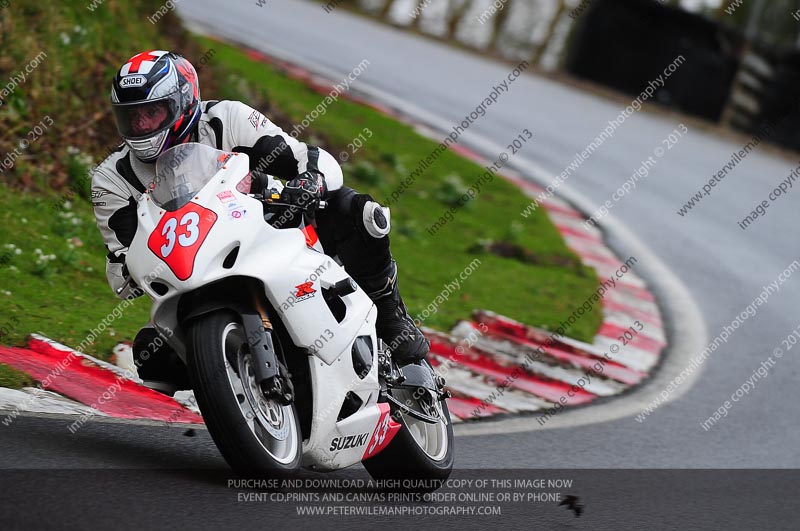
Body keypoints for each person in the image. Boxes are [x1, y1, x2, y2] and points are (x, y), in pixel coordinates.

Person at [91, 50, 428, 394]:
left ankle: (389, 314)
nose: (142, 126)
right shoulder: (111, 180)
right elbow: (121, 268)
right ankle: (235, 390)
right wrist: (139, 263)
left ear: (182, 103)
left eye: (152, 112)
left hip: (266, 230)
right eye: (132, 117)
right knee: (152, 358)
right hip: (193, 277)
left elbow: (308, 158)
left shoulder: (227, 118)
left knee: (356, 211)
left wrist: (309, 181)